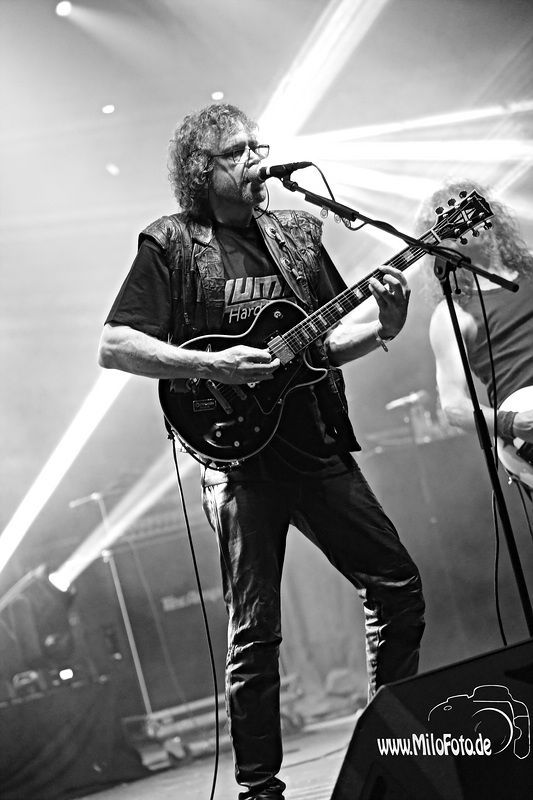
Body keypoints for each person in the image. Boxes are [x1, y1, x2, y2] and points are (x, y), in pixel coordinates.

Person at [98, 103, 425, 800]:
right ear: (201, 169)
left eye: (258, 147)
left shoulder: (297, 233)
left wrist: (387, 323)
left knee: (396, 587)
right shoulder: (171, 243)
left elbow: (324, 342)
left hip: (314, 443)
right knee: (256, 630)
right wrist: (211, 367)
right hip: (237, 460)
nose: (256, 160)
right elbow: (115, 344)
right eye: (238, 151)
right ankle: (258, 788)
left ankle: (388, 749)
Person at [417, 179, 533, 469]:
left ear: (487, 210)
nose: (466, 221)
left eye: (468, 208)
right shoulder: (452, 314)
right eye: (451, 218)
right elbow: (454, 407)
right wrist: (512, 423)